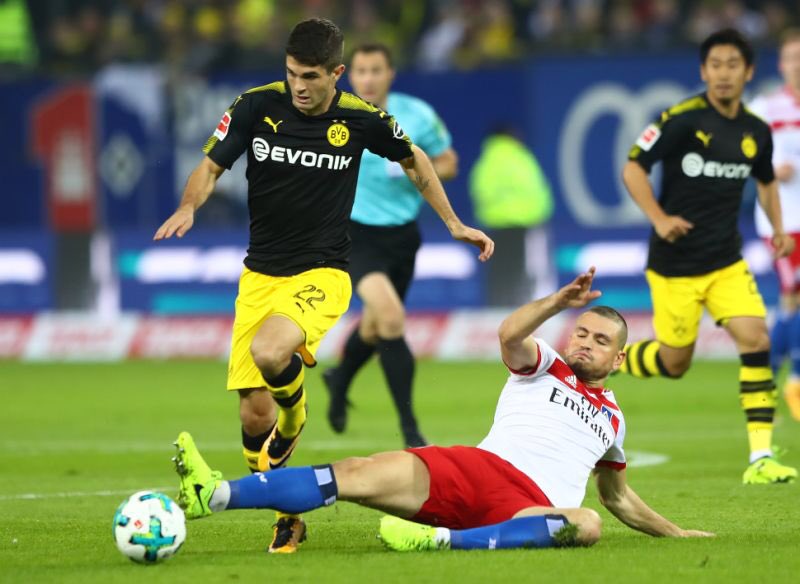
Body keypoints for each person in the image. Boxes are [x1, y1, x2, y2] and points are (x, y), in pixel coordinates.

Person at [153, 18, 494, 553]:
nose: (299, 87)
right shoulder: (253, 106)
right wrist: (187, 205)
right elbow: (211, 167)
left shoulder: (360, 119)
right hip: (259, 274)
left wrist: (453, 223)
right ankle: (288, 515)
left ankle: (297, 411)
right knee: (252, 414)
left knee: (272, 355)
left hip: (323, 271)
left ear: (337, 72)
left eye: (311, 76)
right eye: (291, 74)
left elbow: (415, 159)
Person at [172, 267, 713, 552]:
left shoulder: (614, 419)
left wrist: (677, 534)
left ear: (619, 358)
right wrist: (555, 303)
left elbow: (617, 497)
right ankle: (214, 494)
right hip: (471, 470)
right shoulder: (547, 363)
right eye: (582, 332)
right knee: (355, 473)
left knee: (587, 523)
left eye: (599, 340)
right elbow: (509, 334)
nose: (585, 343)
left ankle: (441, 542)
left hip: (528, 507)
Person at [620, 28, 797, 484]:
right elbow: (633, 166)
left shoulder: (756, 130)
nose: (723, 74)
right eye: (714, 65)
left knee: (755, 339)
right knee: (675, 363)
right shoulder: (679, 119)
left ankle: (760, 458)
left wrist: (777, 229)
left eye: (732, 65)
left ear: (748, 72)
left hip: (726, 262)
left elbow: (766, 181)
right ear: (703, 71)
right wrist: (659, 218)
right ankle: (612, 360)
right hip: (675, 265)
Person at [323, 42, 459, 448]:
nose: (367, 78)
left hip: (402, 236)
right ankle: (411, 431)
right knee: (391, 317)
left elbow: (449, 162)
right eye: (360, 71)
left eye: (375, 71)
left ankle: (339, 377)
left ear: (389, 74)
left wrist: (409, 169)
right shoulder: (333, 113)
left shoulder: (416, 115)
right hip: (353, 233)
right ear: (350, 74)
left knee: (375, 325)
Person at [748, 29, 800, 420]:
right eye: (791, 57)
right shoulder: (765, 107)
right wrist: (768, 169)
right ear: (781, 64)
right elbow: (741, 155)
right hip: (782, 221)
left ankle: (769, 381)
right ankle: (788, 381)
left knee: (792, 302)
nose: (797, 64)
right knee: (792, 298)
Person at [469, 124, 555, 306]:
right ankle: (519, 311)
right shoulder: (521, 158)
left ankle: (497, 310)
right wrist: (539, 216)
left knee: (498, 272)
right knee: (521, 272)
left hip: (493, 227)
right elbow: (536, 191)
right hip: (521, 225)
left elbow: (480, 193)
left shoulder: (486, 162)